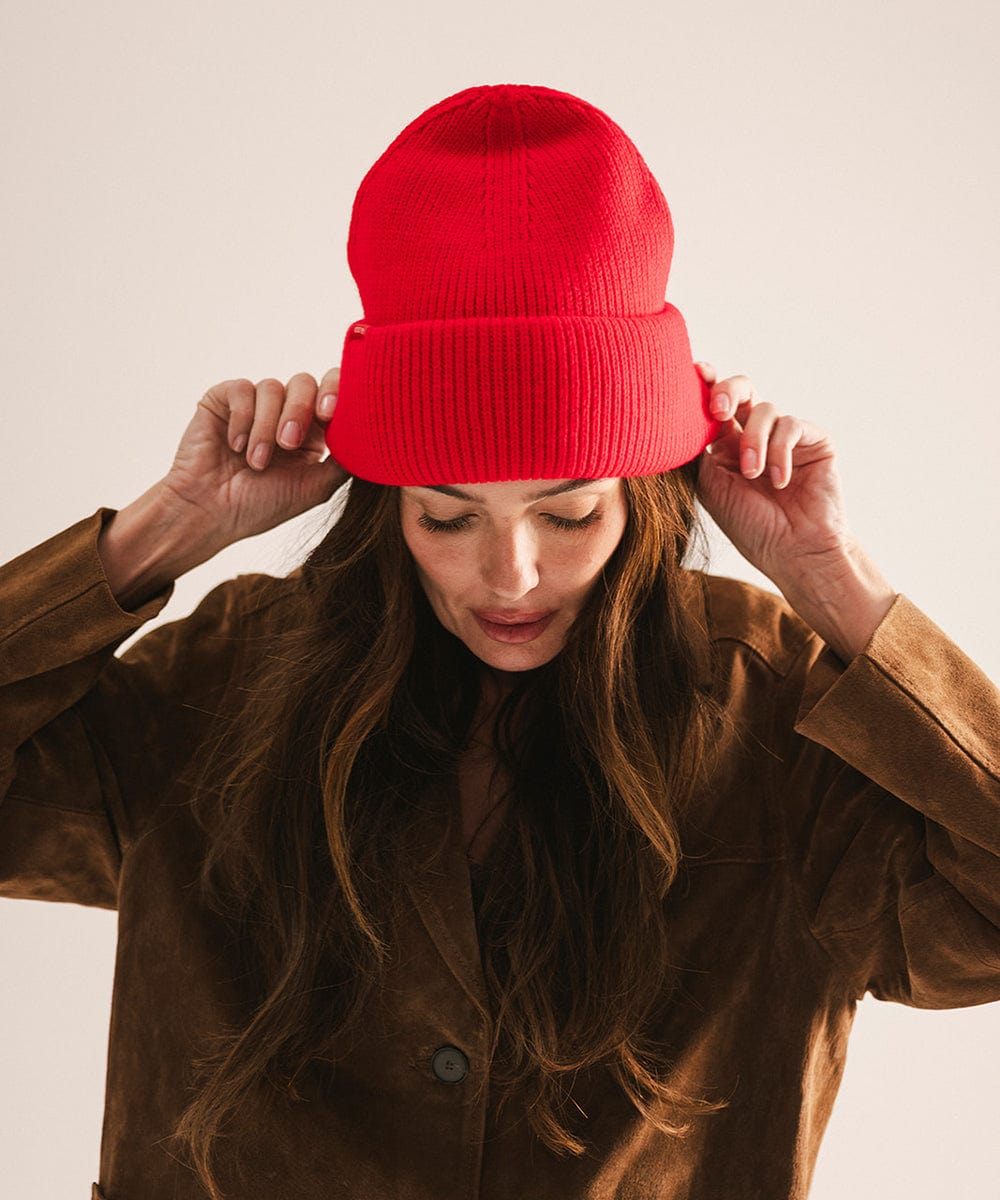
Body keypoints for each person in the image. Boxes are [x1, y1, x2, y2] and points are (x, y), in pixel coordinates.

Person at [1, 82, 997, 1200]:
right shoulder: (227, 680)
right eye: (446, 515)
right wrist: (160, 532)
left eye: (568, 514)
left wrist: (833, 582)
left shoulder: (767, 714)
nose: (510, 573)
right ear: (388, 508)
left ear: (643, 499)